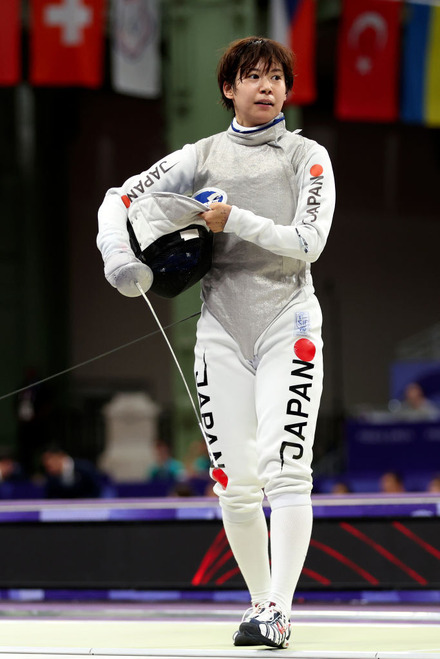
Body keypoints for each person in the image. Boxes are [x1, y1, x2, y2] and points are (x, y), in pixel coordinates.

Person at [97, 36, 335, 649]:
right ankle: (261, 604)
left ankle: (280, 608)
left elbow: (308, 242)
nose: (267, 87)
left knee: (286, 470)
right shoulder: (201, 155)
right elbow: (119, 198)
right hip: (220, 329)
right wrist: (121, 259)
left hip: (289, 321)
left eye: (277, 78)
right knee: (233, 480)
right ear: (229, 88)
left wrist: (236, 221)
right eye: (253, 77)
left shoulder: (307, 156)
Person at [40, 445, 107, 499]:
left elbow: (96, 491)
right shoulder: (50, 476)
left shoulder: (85, 468)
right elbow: (49, 498)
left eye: (49, 458)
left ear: (61, 456)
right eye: (45, 460)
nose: (47, 463)